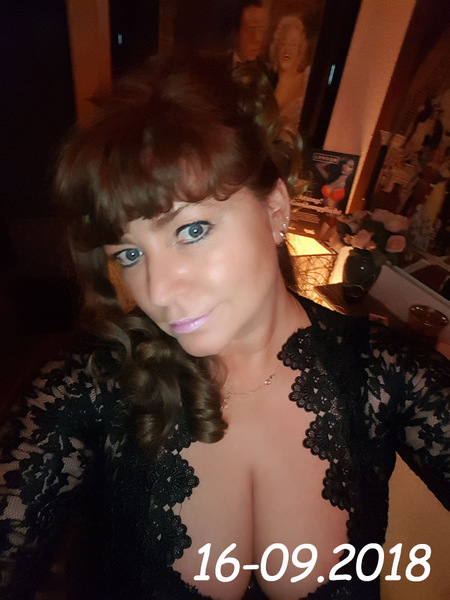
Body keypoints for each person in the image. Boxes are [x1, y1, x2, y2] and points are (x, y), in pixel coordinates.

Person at [0, 56, 449, 600]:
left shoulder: (389, 374)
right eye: (130, 253)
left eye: (191, 230)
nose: (158, 291)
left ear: (276, 209)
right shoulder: (88, 384)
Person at [269, 15, 310, 136]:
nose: (288, 49)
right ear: (276, 48)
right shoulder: (266, 82)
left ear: (300, 51)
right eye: (283, 43)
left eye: (293, 44)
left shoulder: (307, 79)